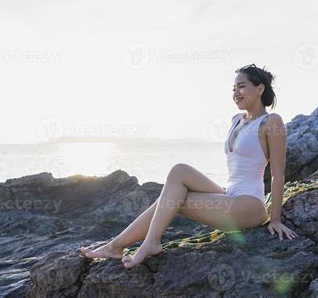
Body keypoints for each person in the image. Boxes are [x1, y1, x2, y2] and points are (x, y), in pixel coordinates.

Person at [81, 63, 298, 269]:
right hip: (230, 196)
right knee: (179, 172)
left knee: (175, 200)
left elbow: (277, 175)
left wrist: (275, 219)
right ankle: (119, 245)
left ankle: (139, 243)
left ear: (260, 89)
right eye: (233, 88)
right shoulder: (236, 120)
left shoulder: (272, 122)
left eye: (242, 86)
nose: (236, 93)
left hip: (250, 206)